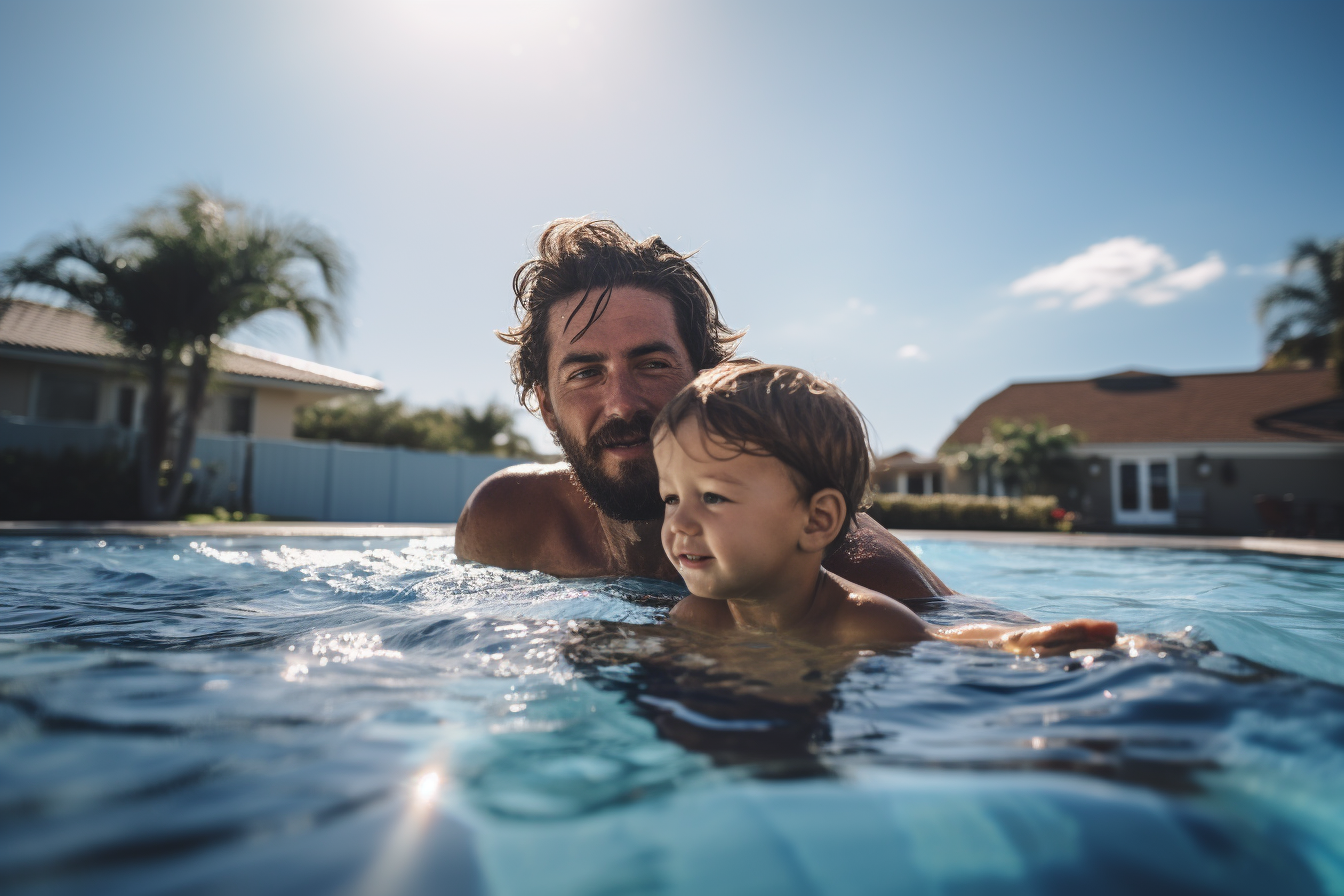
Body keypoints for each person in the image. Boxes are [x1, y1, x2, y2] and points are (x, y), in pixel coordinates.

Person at [455, 218, 952, 604]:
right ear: (545, 405)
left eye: (652, 364)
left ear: (706, 381)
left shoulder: (836, 562)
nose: (622, 403)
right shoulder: (504, 525)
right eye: (586, 373)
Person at [653, 362, 1118, 653]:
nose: (680, 522)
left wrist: (1015, 640)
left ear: (817, 520)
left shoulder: (861, 621)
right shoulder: (698, 617)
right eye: (671, 498)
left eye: (712, 497)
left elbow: (943, 640)